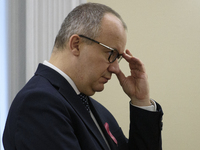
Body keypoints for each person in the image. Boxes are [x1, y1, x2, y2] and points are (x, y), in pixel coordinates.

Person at [3, 2, 163, 150]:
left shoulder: (94, 108)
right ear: (76, 45)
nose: (115, 68)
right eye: (110, 53)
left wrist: (141, 101)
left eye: (118, 57)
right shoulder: (38, 103)